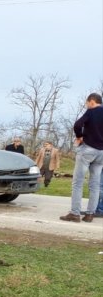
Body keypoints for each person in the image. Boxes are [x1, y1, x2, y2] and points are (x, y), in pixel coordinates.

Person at [60, 93, 103, 223]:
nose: (87, 105)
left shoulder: (91, 111)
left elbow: (78, 125)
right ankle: (90, 214)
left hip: (88, 150)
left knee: (78, 182)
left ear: (91, 101)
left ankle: (75, 213)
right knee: (95, 184)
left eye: (87, 103)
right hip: (101, 153)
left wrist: (79, 136)